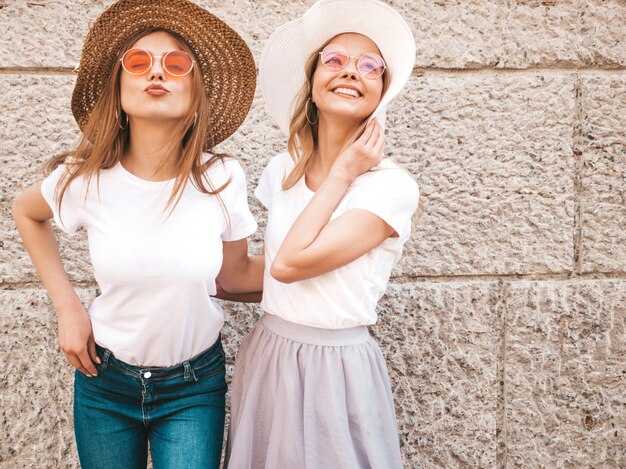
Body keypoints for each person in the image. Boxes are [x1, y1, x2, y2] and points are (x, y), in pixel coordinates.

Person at [11, 0, 261, 467]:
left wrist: (329, 261)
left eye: (176, 64)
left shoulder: (221, 176)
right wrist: (68, 308)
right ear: (119, 88)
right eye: (139, 62)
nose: (157, 73)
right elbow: (26, 212)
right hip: (104, 382)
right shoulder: (86, 178)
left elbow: (237, 276)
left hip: (193, 387)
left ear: (195, 90)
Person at [225, 0, 418, 467]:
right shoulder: (281, 170)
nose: (350, 71)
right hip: (270, 352)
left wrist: (343, 172)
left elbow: (290, 266)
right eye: (334, 60)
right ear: (311, 84)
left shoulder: (391, 188)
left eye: (369, 66)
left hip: (337, 365)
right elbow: (260, 273)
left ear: (380, 93)